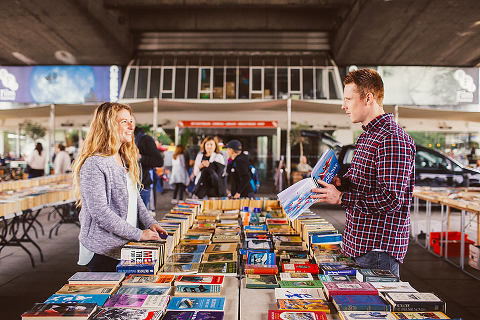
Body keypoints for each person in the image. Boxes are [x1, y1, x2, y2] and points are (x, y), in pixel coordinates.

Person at [310, 68, 415, 277]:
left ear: (368, 98)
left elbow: (391, 198)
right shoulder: (368, 136)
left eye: (349, 98)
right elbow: (364, 180)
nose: (343, 105)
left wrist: (341, 197)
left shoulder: (391, 139)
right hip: (359, 244)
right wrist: (341, 182)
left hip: (377, 249)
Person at [71, 102, 167, 272]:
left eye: (131, 121)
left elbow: (134, 197)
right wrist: (139, 234)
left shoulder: (123, 157)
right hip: (102, 251)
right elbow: (100, 212)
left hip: (122, 245)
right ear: (108, 125)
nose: (132, 126)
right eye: (124, 122)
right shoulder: (95, 163)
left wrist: (150, 222)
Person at [134, 125, 164, 207]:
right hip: (130, 185)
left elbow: (159, 161)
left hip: (142, 185)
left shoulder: (145, 140)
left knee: (140, 216)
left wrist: (140, 158)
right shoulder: (119, 139)